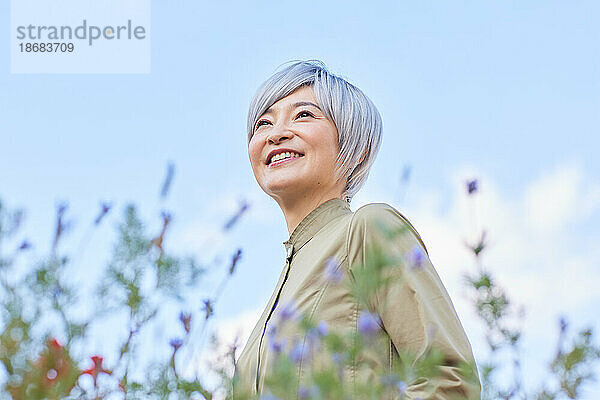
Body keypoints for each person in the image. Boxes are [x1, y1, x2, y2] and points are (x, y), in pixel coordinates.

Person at [233, 60, 481, 399]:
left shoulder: (368, 230)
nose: (276, 133)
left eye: (303, 115)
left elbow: (451, 383)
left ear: (356, 146)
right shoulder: (266, 320)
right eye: (263, 123)